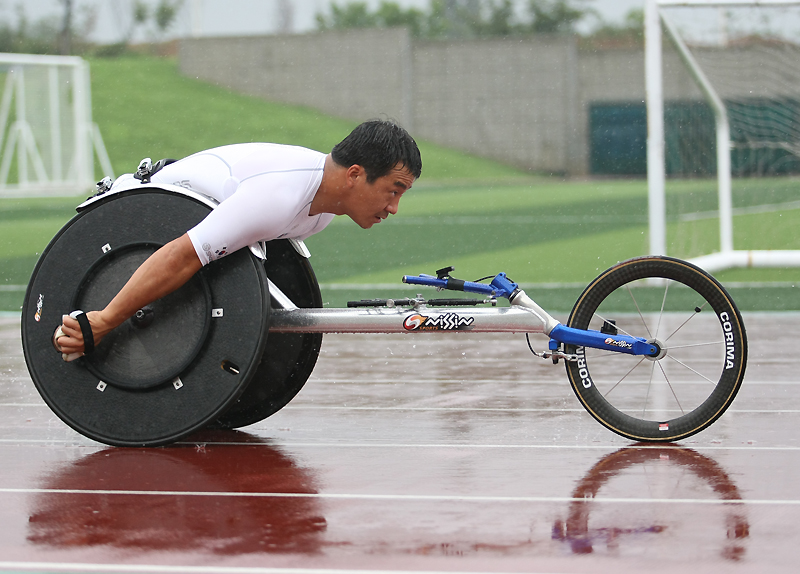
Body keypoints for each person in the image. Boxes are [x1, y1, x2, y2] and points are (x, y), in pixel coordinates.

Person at [52, 119, 422, 359]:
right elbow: (184, 255)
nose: (394, 208)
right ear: (355, 174)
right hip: (130, 223)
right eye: (394, 190)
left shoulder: (323, 211)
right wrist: (103, 320)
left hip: (177, 223)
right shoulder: (279, 197)